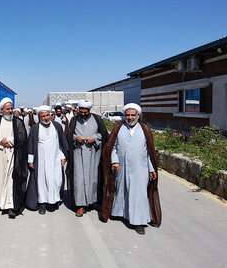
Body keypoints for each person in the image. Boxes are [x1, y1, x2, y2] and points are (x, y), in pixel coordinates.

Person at [100, 103, 162, 235]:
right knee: (122, 190)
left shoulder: (145, 129)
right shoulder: (118, 128)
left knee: (138, 194)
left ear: (138, 116)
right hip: (121, 167)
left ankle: (139, 222)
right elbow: (113, 147)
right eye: (127, 115)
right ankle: (120, 213)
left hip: (140, 168)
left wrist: (151, 169)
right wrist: (115, 161)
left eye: (133, 115)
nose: (130, 117)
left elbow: (149, 153)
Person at [66, 100, 109, 216]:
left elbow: (103, 134)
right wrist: (76, 138)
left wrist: (95, 138)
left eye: (85, 112)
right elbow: (69, 134)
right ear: (78, 110)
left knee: (93, 179)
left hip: (93, 154)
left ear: (89, 111)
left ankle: (90, 202)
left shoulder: (97, 119)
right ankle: (80, 205)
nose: (83, 114)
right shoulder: (74, 120)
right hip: (78, 153)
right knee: (79, 180)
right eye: (81, 112)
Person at [26, 106, 68, 214]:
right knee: (42, 182)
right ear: (39, 117)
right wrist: (31, 159)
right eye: (43, 116)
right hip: (41, 160)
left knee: (55, 180)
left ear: (50, 115)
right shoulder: (35, 128)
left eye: (47, 115)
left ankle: (53, 201)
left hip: (55, 159)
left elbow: (61, 142)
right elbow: (30, 144)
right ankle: (42, 203)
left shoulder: (57, 126)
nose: (46, 118)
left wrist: (63, 157)